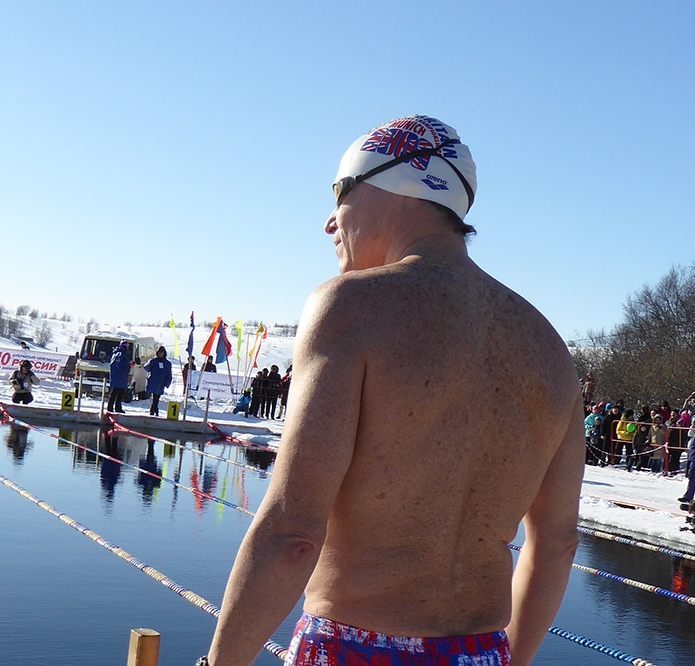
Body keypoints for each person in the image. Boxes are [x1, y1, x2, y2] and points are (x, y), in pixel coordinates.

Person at [205, 115, 582, 666]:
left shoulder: (350, 307)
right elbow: (556, 544)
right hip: (482, 652)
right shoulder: (549, 349)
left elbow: (293, 534)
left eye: (340, 192)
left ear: (392, 185)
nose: (331, 222)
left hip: (353, 647)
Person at [144, 346, 172, 416]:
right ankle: (154, 410)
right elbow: (146, 368)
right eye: (159, 352)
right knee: (154, 397)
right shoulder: (154, 361)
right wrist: (149, 362)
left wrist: (167, 383)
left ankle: (154, 409)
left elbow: (169, 374)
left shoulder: (167, 364)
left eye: (162, 353)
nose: (160, 354)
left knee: (157, 397)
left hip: (161, 383)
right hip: (153, 382)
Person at [107, 340, 131, 413]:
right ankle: (112, 408)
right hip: (119, 377)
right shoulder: (120, 354)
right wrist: (128, 366)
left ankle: (116, 407)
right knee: (116, 393)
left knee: (117, 393)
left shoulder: (117, 353)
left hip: (118, 377)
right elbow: (120, 366)